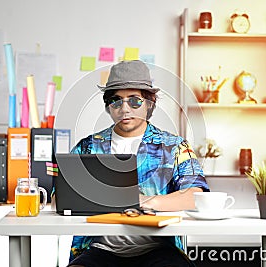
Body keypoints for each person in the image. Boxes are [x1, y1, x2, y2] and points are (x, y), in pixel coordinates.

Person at [67, 60, 209, 267]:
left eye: (134, 101)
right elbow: (60, 197)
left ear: (149, 104)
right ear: (108, 106)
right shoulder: (88, 147)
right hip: (100, 251)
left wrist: (145, 201)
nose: (125, 109)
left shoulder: (175, 147)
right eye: (116, 101)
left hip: (159, 250)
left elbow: (196, 195)